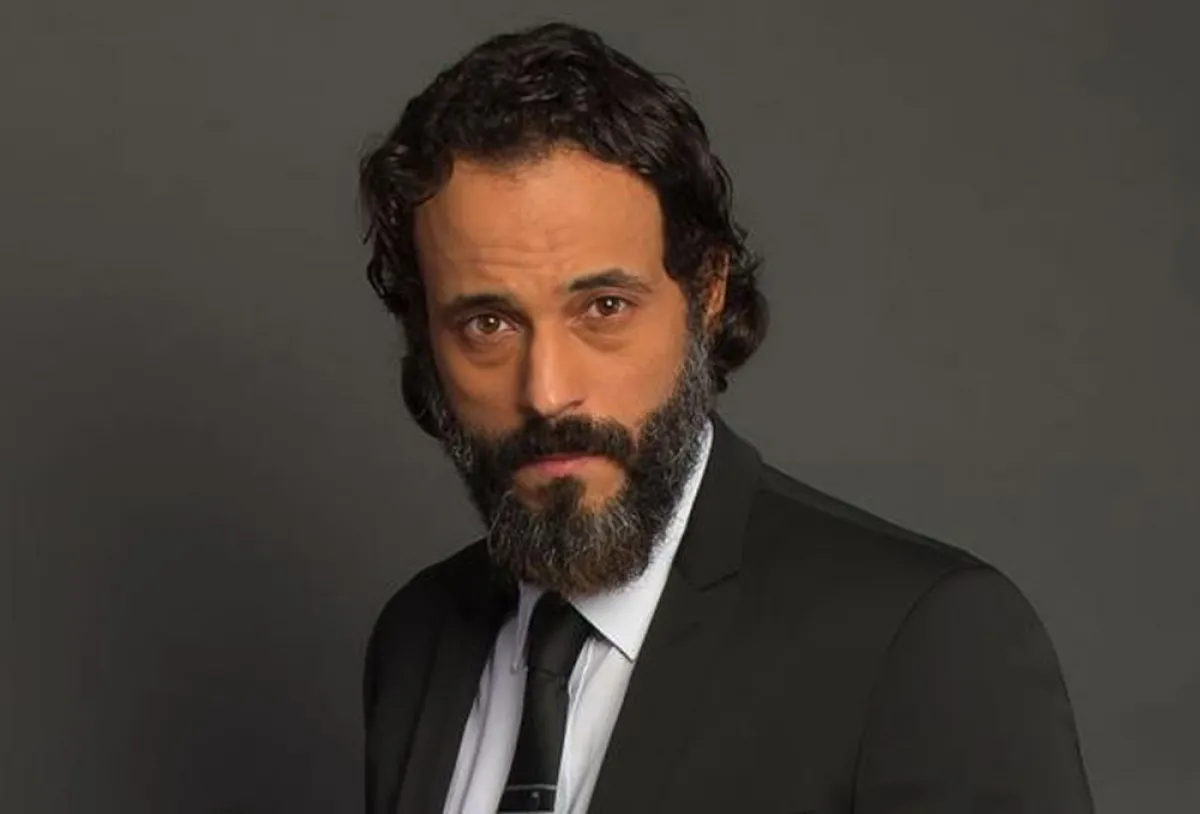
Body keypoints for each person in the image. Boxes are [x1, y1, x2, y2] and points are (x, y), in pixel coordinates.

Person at [356, 21, 1094, 814]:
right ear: (425, 338)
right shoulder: (418, 639)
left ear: (706, 296)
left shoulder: (919, 642)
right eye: (488, 324)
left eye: (604, 307)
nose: (547, 392)